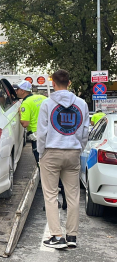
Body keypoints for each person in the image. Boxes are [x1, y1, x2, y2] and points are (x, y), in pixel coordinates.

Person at [37, 69, 89, 249]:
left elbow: (41, 132)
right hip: (73, 152)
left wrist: (41, 153)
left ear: (53, 83)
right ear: (69, 83)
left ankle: (57, 236)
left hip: (52, 151)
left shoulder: (47, 104)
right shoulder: (81, 104)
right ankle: (72, 236)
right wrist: (78, 148)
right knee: (73, 195)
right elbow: (85, 131)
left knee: (51, 195)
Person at [15, 80, 47, 163]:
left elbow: (25, 123)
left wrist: (20, 113)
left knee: (41, 162)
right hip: (49, 134)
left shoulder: (25, 103)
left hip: (37, 136)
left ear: (23, 91)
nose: (16, 91)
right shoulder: (42, 97)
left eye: (17, 89)